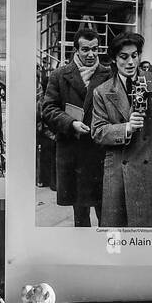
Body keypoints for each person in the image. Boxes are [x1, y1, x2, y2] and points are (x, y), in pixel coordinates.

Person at [89, 32, 152, 229]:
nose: (130, 62)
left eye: (134, 55)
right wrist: (127, 128)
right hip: (119, 174)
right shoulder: (102, 91)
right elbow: (97, 131)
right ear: (114, 59)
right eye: (124, 57)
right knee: (121, 238)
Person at [40, 28, 112, 227]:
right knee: (80, 214)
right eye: (85, 49)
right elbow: (48, 108)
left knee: (107, 213)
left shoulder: (109, 75)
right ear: (76, 50)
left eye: (95, 49)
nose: (91, 54)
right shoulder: (59, 75)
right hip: (74, 151)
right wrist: (70, 123)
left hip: (101, 152)